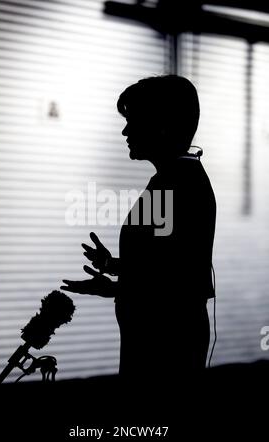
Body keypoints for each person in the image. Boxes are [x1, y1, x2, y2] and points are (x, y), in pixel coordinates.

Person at [61, 75, 216, 388]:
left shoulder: (177, 184)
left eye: (133, 122)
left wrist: (115, 288)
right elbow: (161, 262)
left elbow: (175, 285)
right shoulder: (170, 179)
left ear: (162, 125)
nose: (125, 131)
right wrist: (113, 265)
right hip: (158, 342)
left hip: (166, 350)